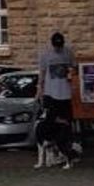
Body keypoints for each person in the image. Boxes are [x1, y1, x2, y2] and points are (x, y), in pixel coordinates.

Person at [36, 31, 77, 163]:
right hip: (51, 93)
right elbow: (42, 72)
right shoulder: (46, 55)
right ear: (53, 44)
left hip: (65, 94)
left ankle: (67, 151)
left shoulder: (68, 53)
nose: (58, 48)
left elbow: (74, 67)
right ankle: (54, 152)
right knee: (51, 122)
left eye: (60, 45)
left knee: (66, 123)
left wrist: (71, 72)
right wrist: (40, 89)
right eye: (56, 46)